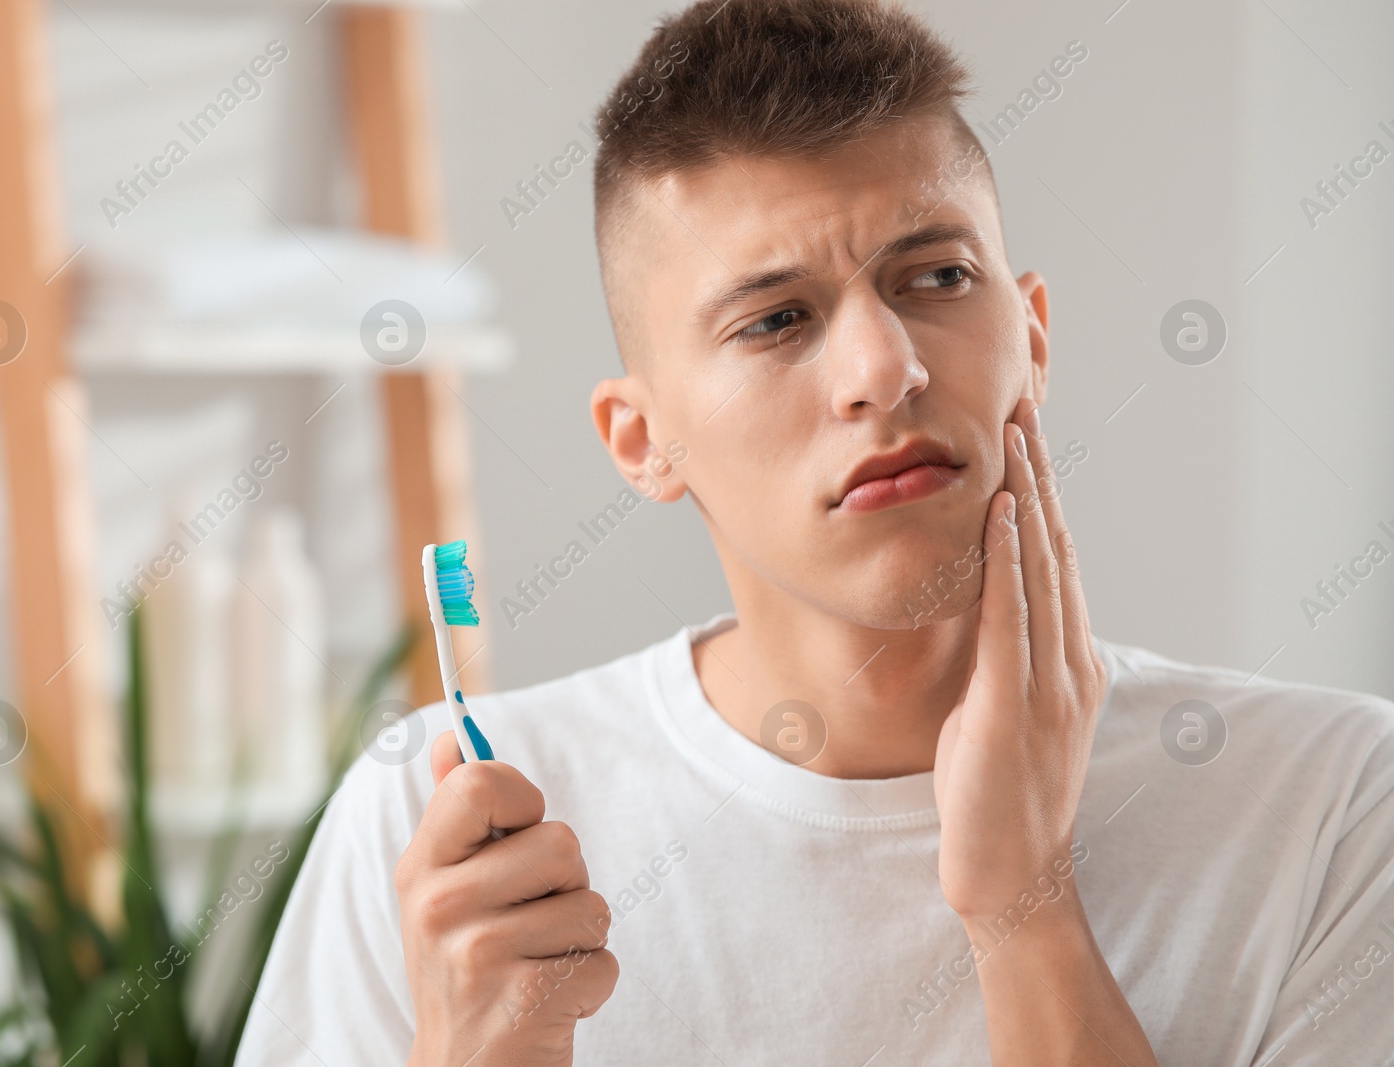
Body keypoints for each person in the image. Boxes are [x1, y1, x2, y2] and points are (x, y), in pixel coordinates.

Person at [235, 1, 1394, 1063]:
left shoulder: (1336, 806)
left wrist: (1022, 902)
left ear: (1030, 338)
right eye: (777, 318)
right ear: (643, 443)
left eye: (934, 274)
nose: (884, 368)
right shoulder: (443, 834)